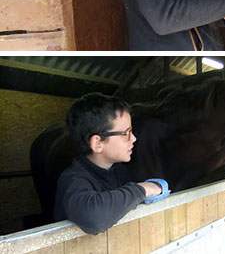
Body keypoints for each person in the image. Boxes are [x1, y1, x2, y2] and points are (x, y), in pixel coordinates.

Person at [54, 94, 169, 234]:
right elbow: (93, 217)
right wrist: (142, 190)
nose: (133, 138)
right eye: (126, 133)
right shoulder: (73, 179)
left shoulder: (120, 172)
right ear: (97, 143)